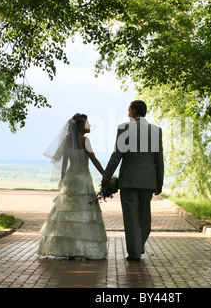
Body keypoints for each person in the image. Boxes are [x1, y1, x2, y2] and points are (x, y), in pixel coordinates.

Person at [38, 113, 107, 260]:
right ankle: (81, 247)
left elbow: (64, 163)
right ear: (80, 126)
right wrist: (106, 175)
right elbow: (94, 160)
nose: (89, 126)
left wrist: (63, 178)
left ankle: (69, 247)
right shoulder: (85, 140)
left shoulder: (67, 141)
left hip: (70, 178)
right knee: (83, 213)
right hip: (83, 180)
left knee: (67, 213)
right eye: (86, 123)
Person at [102, 100, 164, 261]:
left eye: (129, 110)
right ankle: (139, 245)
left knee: (131, 218)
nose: (128, 114)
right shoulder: (157, 130)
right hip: (149, 181)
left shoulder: (124, 128)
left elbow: (117, 156)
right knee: (144, 217)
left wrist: (106, 177)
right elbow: (159, 159)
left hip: (129, 180)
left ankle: (135, 252)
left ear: (134, 111)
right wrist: (159, 182)